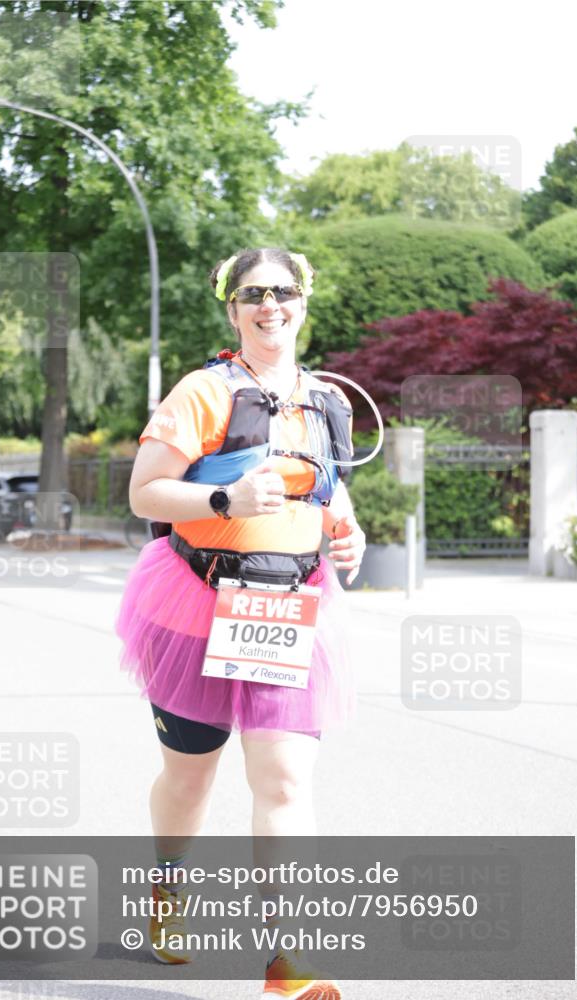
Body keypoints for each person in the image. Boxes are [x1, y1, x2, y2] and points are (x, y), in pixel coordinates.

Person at [116, 247, 366, 1000]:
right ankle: (167, 886)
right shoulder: (204, 390)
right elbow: (144, 494)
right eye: (253, 293)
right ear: (232, 307)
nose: (270, 305)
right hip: (195, 602)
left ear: (302, 300)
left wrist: (347, 530)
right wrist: (223, 503)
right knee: (190, 778)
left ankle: (288, 963)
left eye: (283, 291)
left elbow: (331, 496)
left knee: (285, 779)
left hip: (289, 608)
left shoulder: (328, 401)